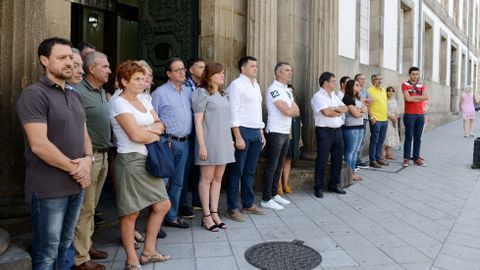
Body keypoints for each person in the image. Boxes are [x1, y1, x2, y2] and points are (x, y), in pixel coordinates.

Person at [17, 37, 91, 270]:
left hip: (75, 186)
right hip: (49, 189)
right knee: (47, 252)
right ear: (44, 60)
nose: (69, 62)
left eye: (71, 57)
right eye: (62, 58)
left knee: (65, 246)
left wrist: (88, 161)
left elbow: (84, 135)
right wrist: (78, 170)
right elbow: (39, 144)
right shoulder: (34, 94)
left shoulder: (74, 94)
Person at [109, 60, 171, 269]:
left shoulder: (144, 99)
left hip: (148, 157)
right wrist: (151, 132)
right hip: (130, 160)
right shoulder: (118, 102)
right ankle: (131, 259)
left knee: (162, 204)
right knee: (131, 212)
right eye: (136, 79)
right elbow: (134, 135)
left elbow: (161, 124)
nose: (141, 82)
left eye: (142, 78)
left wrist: (151, 131)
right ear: (124, 81)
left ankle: (148, 252)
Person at [71, 51, 112, 270]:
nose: (109, 70)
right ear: (91, 69)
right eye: (104, 67)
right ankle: (80, 259)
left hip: (103, 155)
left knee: (92, 206)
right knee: (85, 208)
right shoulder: (78, 91)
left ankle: (86, 246)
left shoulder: (100, 91)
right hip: (90, 156)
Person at [192, 62, 235, 232]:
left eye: (223, 73)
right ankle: (206, 216)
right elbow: (198, 122)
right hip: (209, 141)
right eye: (219, 73)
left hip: (224, 141)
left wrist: (231, 142)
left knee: (218, 179)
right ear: (209, 76)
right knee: (207, 179)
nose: (222, 75)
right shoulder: (201, 93)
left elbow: (227, 121)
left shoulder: (223, 94)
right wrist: (201, 146)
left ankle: (215, 213)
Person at [151, 57, 192, 229]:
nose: (183, 72)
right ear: (168, 74)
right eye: (178, 70)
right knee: (161, 182)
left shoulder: (188, 91)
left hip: (184, 143)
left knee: (178, 182)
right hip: (166, 142)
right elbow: (152, 119)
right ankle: (155, 222)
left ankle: (171, 216)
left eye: (183, 69)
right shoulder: (159, 93)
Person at [226, 56, 266, 222]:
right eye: (252, 66)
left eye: (256, 65)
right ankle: (232, 207)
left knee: (250, 170)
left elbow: (257, 110)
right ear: (243, 68)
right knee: (237, 171)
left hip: (255, 131)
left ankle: (248, 204)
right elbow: (233, 111)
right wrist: (237, 136)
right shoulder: (236, 85)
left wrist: (261, 132)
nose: (255, 68)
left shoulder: (255, 84)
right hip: (242, 130)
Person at [261, 62, 299, 210]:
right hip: (275, 132)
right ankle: (265, 198)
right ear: (278, 73)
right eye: (286, 70)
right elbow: (288, 111)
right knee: (272, 165)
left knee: (280, 164)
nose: (290, 73)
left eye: (290, 70)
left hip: (285, 131)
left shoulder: (287, 90)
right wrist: (291, 109)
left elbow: (296, 110)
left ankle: (274, 194)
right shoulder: (273, 89)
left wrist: (291, 109)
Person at [311, 72, 348, 198]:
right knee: (322, 160)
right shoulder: (318, 96)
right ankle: (318, 187)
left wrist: (335, 110)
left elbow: (345, 108)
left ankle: (334, 185)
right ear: (325, 82)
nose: (335, 83)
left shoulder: (333, 95)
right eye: (333, 81)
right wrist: (336, 110)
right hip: (324, 132)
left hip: (337, 131)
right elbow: (326, 112)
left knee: (337, 159)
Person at [180, 57, 206, 219]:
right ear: (191, 70)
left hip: (202, 133)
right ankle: (182, 204)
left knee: (199, 168)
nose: (204, 70)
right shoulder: (185, 87)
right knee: (185, 170)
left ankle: (197, 200)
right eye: (200, 67)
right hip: (188, 133)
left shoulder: (204, 87)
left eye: (205, 67)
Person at [402, 67, 429, 167]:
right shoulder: (405, 84)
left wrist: (414, 97)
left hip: (420, 114)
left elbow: (426, 97)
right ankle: (406, 158)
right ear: (409, 74)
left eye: (417, 74)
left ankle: (416, 158)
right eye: (413, 74)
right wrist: (419, 98)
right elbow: (407, 99)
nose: (415, 76)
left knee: (418, 138)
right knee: (409, 137)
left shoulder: (421, 85)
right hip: (409, 114)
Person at [278, 84, 302, 195]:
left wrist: (300, 139)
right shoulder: (281, 105)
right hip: (283, 136)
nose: (290, 94)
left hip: (294, 138)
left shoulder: (295, 108)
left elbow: (299, 125)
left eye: (291, 92)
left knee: (289, 160)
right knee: (281, 161)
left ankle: (285, 183)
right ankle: (278, 185)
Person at [342, 80, 367, 181]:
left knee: (355, 151)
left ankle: (353, 172)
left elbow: (365, 110)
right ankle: (349, 173)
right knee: (350, 151)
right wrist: (361, 111)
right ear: (351, 86)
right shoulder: (347, 98)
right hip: (351, 128)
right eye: (356, 85)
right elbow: (355, 114)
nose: (359, 86)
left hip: (359, 126)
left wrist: (360, 111)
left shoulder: (357, 98)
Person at [367, 74, 389, 168]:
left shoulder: (384, 90)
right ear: (373, 81)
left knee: (381, 140)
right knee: (374, 140)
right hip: (376, 120)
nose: (379, 81)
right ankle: (372, 160)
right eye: (376, 79)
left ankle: (378, 158)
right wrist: (371, 117)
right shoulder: (369, 90)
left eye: (380, 79)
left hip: (384, 119)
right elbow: (367, 105)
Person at [354, 73, 373, 169]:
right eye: (361, 79)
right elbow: (359, 101)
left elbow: (371, 100)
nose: (364, 81)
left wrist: (364, 100)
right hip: (357, 117)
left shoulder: (364, 91)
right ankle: (355, 161)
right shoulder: (354, 90)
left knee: (361, 141)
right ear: (356, 80)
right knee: (356, 141)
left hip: (364, 118)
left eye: (364, 79)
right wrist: (364, 101)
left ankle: (358, 159)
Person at [383, 86, 400, 159]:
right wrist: (392, 119)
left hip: (394, 120)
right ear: (386, 92)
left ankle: (389, 154)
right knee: (386, 137)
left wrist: (395, 119)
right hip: (387, 119)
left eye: (392, 91)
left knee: (392, 137)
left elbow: (397, 110)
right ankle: (381, 155)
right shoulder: (384, 100)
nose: (390, 92)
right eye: (389, 91)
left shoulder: (394, 100)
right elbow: (384, 110)